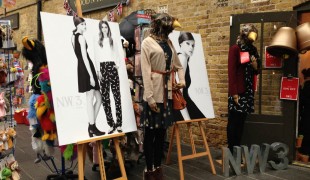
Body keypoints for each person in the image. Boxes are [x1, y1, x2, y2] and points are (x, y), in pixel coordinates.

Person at [140, 13, 185, 180]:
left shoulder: (169, 43)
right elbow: (145, 71)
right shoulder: (147, 42)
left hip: (167, 93)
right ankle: (149, 170)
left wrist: (182, 80)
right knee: (150, 134)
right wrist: (150, 98)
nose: (170, 33)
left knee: (161, 135)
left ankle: (158, 169)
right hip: (154, 94)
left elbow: (178, 65)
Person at [227, 24, 260, 153]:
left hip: (248, 91)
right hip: (238, 92)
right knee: (234, 121)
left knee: (241, 122)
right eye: (251, 34)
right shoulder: (235, 49)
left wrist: (255, 65)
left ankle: (237, 150)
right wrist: (234, 93)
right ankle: (230, 151)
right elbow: (232, 72)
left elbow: (257, 71)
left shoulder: (253, 50)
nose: (253, 37)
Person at [71, 16, 105, 137]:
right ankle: (92, 127)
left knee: (98, 98)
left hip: (81, 68)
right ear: (77, 26)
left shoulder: (73, 37)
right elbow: (84, 58)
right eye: (82, 25)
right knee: (91, 98)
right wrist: (91, 75)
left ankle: (91, 125)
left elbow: (79, 56)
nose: (84, 27)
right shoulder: (81, 37)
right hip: (86, 68)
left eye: (85, 24)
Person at [94, 20, 122, 134]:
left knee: (117, 96)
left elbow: (117, 53)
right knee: (105, 98)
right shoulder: (98, 41)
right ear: (100, 29)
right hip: (102, 68)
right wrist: (98, 70)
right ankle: (111, 124)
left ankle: (119, 124)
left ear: (108, 28)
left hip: (112, 66)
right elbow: (96, 56)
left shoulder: (112, 39)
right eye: (102, 27)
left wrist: (117, 65)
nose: (104, 29)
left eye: (106, 27)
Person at [174, 32, 206, 121]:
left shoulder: (182, 58)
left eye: (193, 45)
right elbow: (178, 91)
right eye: (187, 44)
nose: (191, 48)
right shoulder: (182, 58)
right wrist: (187, 118)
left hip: (184, 102)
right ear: (180, 43)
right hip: (182, 103)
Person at [299, 68, 310, 157]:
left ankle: (305, 152)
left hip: (307, 112)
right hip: (307, 112)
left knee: (306, 132)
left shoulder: (306, 85)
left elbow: (302, 100)